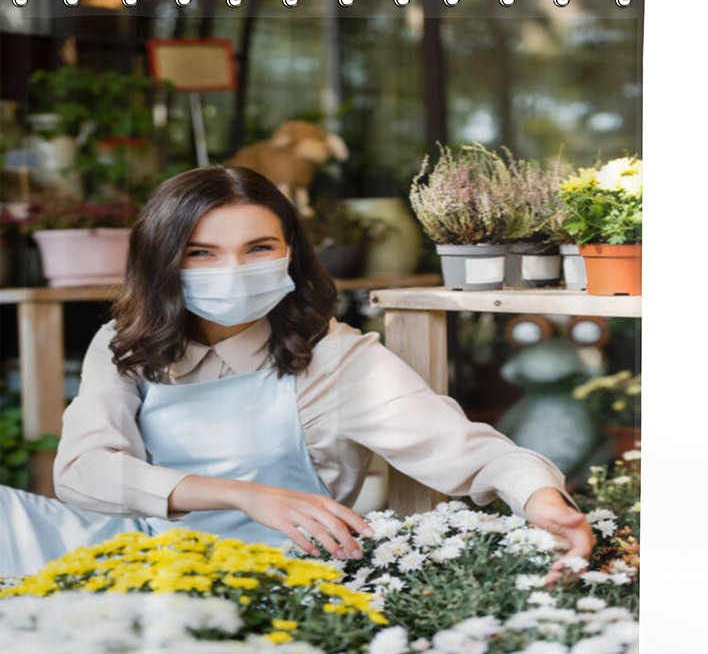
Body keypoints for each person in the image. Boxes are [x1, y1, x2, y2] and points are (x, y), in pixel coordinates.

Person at [0, 166, 594, 583]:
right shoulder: (123, 344)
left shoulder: (338, 360)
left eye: (258, 248)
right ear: (162, 261)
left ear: (291, 253)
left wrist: (543, 501)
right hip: (132, 563)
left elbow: (478, 455)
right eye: (200, 252)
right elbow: (82, 475)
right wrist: (246, 496)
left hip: (277, 585)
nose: (232, 269)